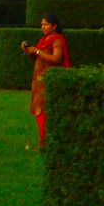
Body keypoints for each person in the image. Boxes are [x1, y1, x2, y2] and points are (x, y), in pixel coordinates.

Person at [21, 14, 69, 150]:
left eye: (46, 24)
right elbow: (38, 58)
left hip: (48, 78)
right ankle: (43, 141)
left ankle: (45, 142)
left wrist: (37, 51)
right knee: (37, 109)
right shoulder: (43, 40)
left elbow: (56, 59)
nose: (43, 27)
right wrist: (29, 51)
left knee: (43, 110)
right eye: (41, 25)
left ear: (54, 26)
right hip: (38, 79)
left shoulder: (57, 40)